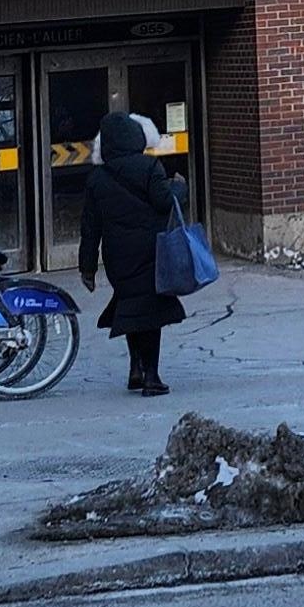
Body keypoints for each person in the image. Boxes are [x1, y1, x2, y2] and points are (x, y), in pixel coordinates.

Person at [77, 111, 187, 396]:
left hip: (118, 256)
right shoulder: (149, 167)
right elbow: (165, 202)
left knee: (131, 306)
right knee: (150, 313)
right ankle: (151, 376)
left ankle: (135, 368)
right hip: (150, 252)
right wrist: (179, 187)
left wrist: (87, 267)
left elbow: (89, 227)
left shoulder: (97, 178)